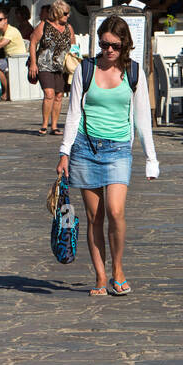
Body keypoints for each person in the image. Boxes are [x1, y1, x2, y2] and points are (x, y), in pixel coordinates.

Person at [57, 16, 159, 297]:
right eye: (103, 44)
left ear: (124, 45)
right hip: (85, 149)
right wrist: (64, 152)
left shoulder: (133, 72)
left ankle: (118, 269)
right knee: (95, 217)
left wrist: (151, 158)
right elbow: (74, 113)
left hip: (118, 150)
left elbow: (142, 118)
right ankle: (101, 276)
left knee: (116, 211)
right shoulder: (85, 69)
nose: (109, 50)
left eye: (114, 45)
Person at [30, 0, 75, 136]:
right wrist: (33, 63)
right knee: (49, 94)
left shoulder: (68, 28)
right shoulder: (44, 26)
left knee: (59, 95)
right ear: (57, 13)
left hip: (61, 66)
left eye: (68, 14)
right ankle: (44, 124)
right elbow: (33, 43)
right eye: (65, 13)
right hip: (44, 64)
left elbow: (74, 46)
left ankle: (54, 126)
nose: (68, 16)